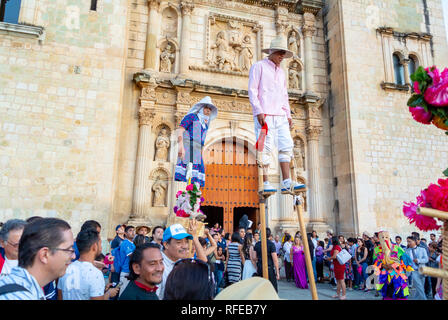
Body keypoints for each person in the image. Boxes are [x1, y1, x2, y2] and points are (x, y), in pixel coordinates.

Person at [248, 37, 305, 194]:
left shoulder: (281, 73)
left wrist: (288, 115)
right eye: (280, 53)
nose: (282, 56)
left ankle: (286, 181)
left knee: (286, 145)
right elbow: (252, 90)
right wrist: (258, 110)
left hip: (280, 114)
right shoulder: (258, 66)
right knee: (265, 147)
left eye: (284, 54)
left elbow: (284, 95)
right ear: (271, 52)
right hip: (264, 113)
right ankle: (265, 181)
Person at [0, 218, 74, 300]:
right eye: (68, 250)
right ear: (44, 254)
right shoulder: (19, 296)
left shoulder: (25, 287)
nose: (73, 256)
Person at [58, 229, 119, 300]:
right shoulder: (96, 274)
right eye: (100, 243)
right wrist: (108, 294)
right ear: (94, 247)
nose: (101, 247)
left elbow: (60, 296)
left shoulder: (65, 269)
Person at [175, 96, 218, 188]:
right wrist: (181, 147)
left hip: (197, 152)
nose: (208, 111)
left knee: (195, 179)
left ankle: (191, 199)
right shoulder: (192, 117)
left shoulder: (205, 125)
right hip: (188, 147)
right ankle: (184, 198)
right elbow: (180, 130)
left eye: (210, 109)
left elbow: (202, 143)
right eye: (206, 108)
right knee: (188, 173)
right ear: (201, 108)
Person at [157, 222, 206, 300]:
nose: (185, 246)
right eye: (179, 242)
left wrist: (194, 237)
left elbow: (203, 263)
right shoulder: (158, 265)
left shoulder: (180, 261)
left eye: (186, 241)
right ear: (166, 244)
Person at [253, 228, 280, 292]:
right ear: (269, 235)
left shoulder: (257, 244)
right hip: (269, 268)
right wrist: (277, 272)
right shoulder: (271, 244)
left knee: (261, 289)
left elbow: (254, 257)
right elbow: (275, 259)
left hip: (260, 268)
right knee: (272, 289)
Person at [115, 225, 136, 296]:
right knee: (123, 294)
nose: (133, 232)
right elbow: (132, 256)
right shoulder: (126, 243)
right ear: (125, 233)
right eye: (130, 230)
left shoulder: (132, 244)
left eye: (134, 230)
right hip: (126, 272)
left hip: (130, 272)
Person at [406, 235, 428, 300]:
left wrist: (418, 260)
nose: (408, 243)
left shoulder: (422, 249)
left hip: (422, 270)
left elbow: (426, 259)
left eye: (410, 241)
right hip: (413, 271)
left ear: (415, 241)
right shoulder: (406, 251)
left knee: (420, 287)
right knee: (419, 287)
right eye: (407, 242)